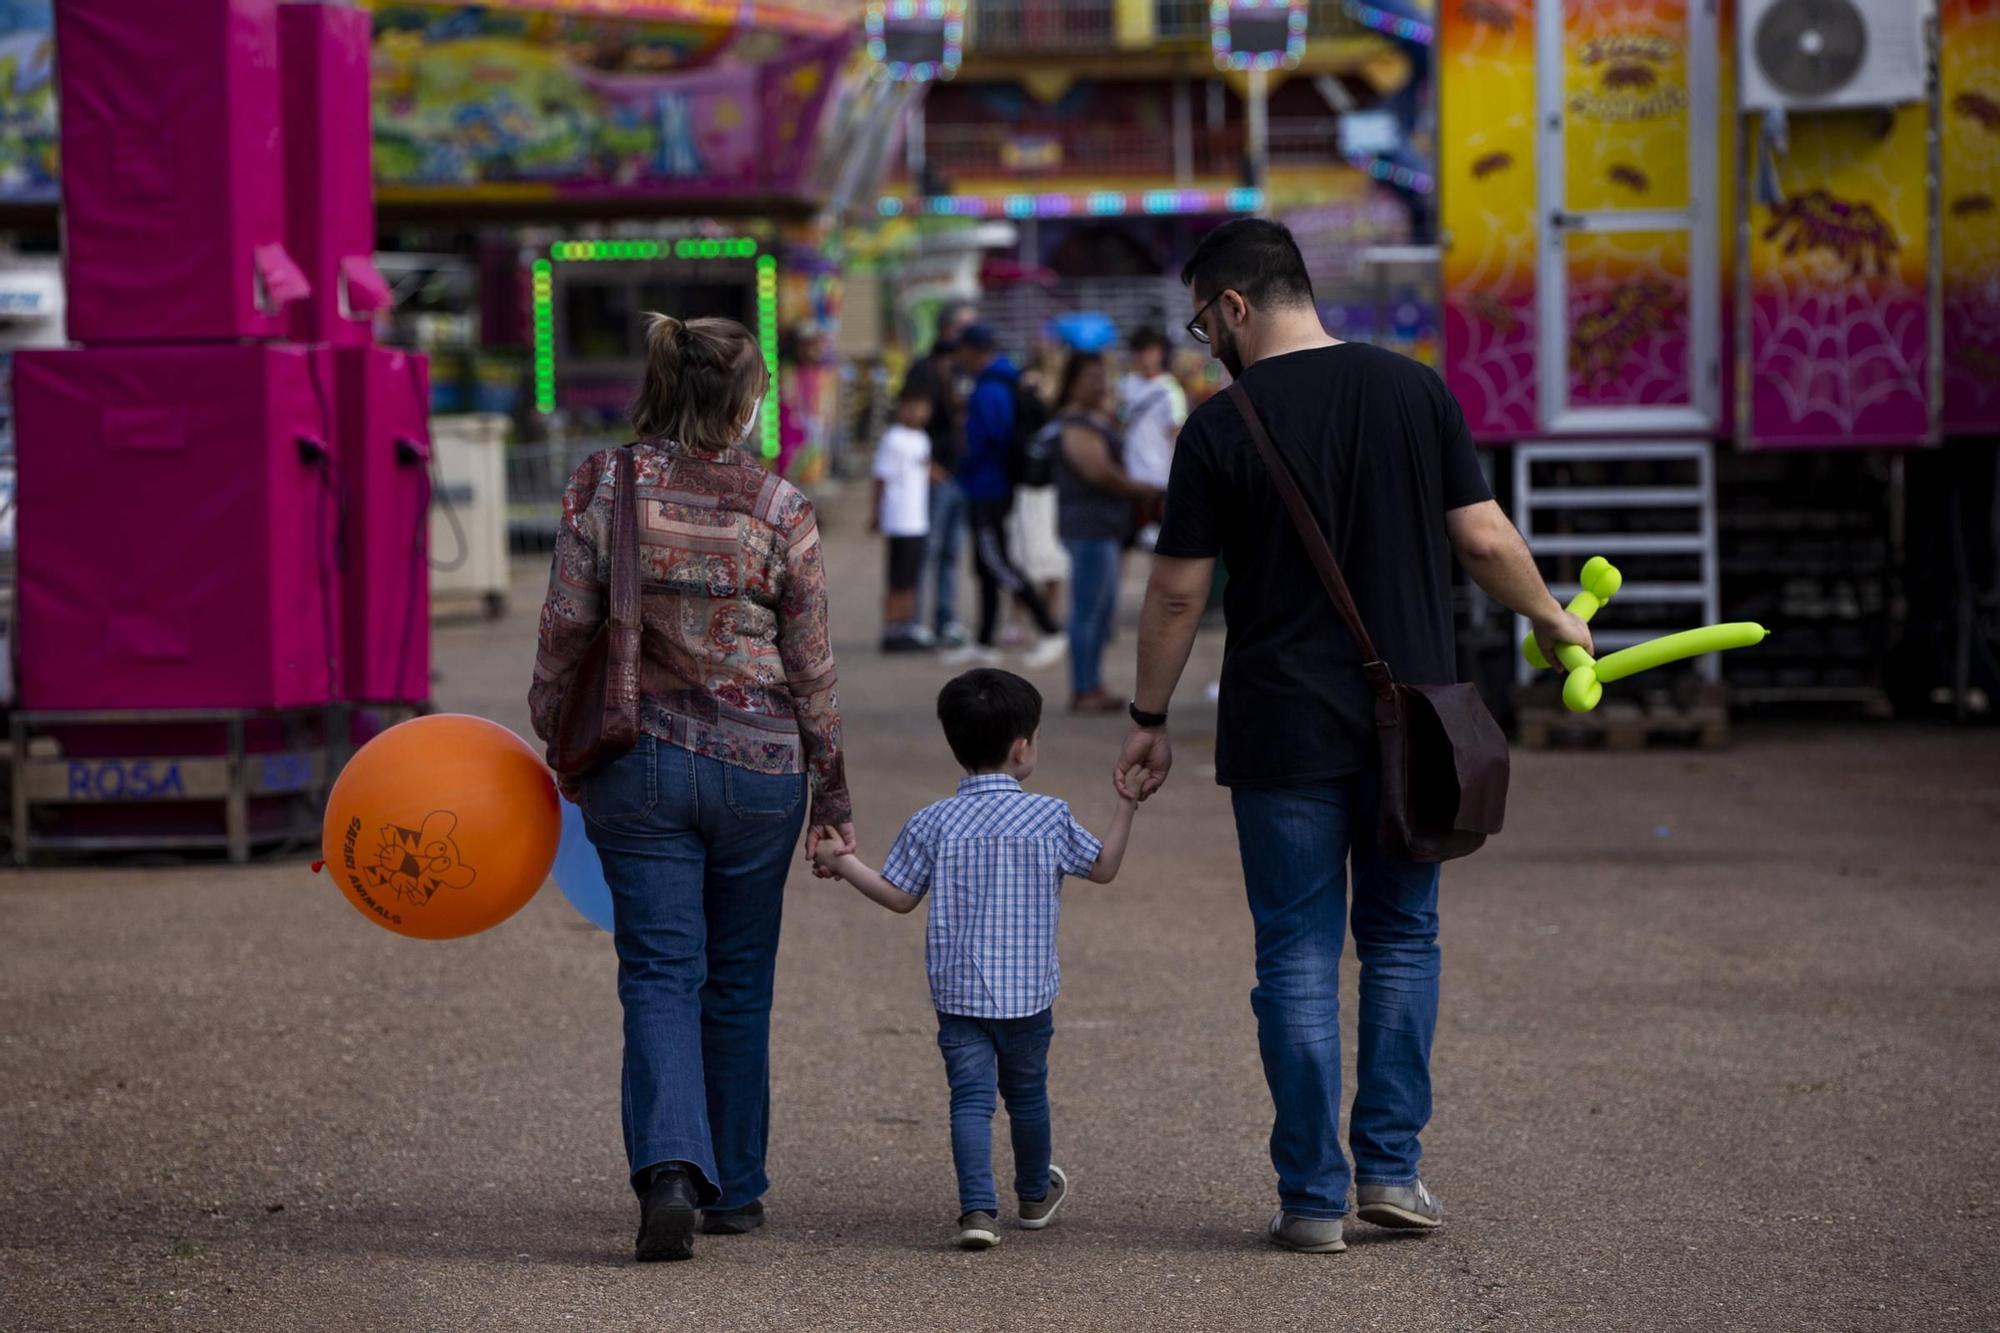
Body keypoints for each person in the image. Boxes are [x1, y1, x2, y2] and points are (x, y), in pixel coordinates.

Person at [1113, 219, 1594, 1254]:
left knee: (1292, 953)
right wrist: (1551, 617)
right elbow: (1479, 536)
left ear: (1234, 306)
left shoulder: (1219, 425)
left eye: (1204, 324)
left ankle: (1308, 1198)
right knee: (1400, 939)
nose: (1206, 344)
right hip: (1412, 722)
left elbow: (1174, 593)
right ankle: (1391, 1170)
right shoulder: (1413, 392)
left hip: (1281, 722)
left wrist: (1147, 717)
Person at [529, 313, 855, 1264]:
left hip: (641, 762)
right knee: (741, 980)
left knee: (662, 972)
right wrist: (829, 794)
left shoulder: (605, 482)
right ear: (750, 400)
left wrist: (561, 740)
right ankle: (738, 1187)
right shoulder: (782, 508)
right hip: (760, 774)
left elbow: (561, 631)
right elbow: (815, 672)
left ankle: (670, 1169)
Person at [812, 668, 1141, 1249]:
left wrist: (843, 864)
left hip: (959, 995)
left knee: (969, 1100)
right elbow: (1105, 867)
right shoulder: (1050, 816)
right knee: (1028, 1097)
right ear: (1023, 748)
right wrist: (1126, 808)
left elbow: (899, 896)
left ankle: (978, 1213)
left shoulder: (933, 821)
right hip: (1028, 996)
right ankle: (1035, 1195)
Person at [953, 325, 1066, 669]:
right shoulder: (1004, 381)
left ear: (974, 351)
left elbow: (993, 438)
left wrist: (967, 464)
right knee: (986, 566)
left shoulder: (990, 389)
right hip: (990, 485)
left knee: (998, 563)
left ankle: (1050, 631)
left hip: (990, 487)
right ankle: (985, 642)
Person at [1052, 351, 1159, 713]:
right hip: (1090, 529)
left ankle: (1091, 684)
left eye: (1103, 376)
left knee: (1099, 612)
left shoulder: (1095, 418)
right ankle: (1084, 689)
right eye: (1092, 377)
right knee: (1087, 612)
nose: (1100, 384)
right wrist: (1139, 489)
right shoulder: (1076, 422)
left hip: (1103, 528)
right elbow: (1097, 471)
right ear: (1073, 381)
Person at [901, 301, 977, 647]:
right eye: (965, 328)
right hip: (933, 474)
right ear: (947, 329)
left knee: (951, 553)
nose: (970, 336)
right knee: (927, 551)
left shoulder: (966, 370)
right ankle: (915, 623)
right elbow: (906, 417)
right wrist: (925, 465)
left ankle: (946, 619)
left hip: (962, 474)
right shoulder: (924, 369)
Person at [1008, 338, 1071, 641]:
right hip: (1038, 483)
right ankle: (1034, 618)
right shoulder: (1034, 390)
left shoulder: (1060, 394)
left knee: (1043, 556)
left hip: (1042, 484)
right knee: (1029, 555)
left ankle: (1037, 619)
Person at [873, 385, 935, 652]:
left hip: (918, 519)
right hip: (899, 519)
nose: (917, 412)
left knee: (911, 578)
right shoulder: (893, 439)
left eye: (921, 406)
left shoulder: (922, 438)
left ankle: (906, 626)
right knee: (897, 579)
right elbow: (880, 478)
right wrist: (876, 513)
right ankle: (891, 628)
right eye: (911, 406)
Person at [1118, 327, 1187, 546]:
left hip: (1159, 478)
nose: (1144, 357)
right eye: (1139, 352)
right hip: (1129, 475)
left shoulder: (1171, 390)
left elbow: (1176, 433)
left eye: (1149, 351)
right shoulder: (1126, 385)